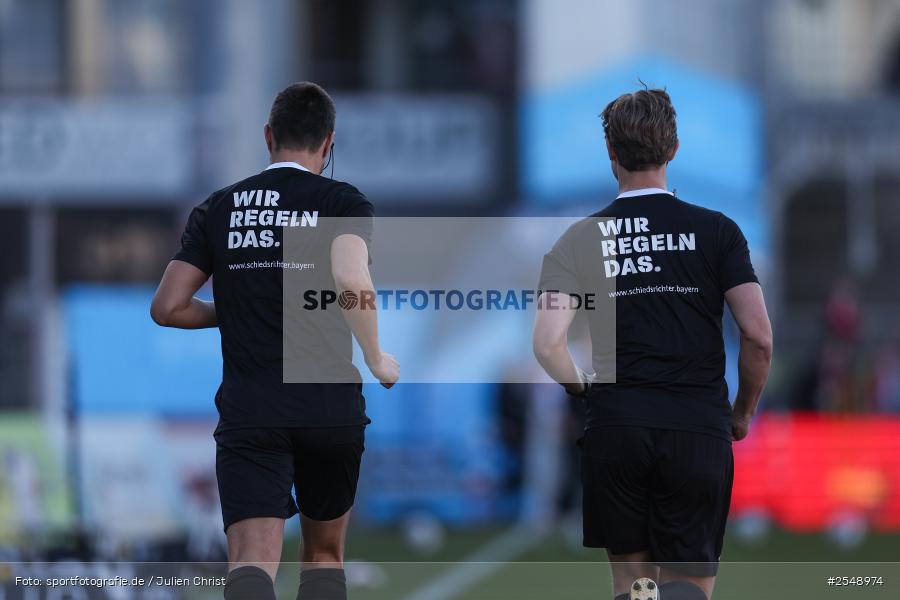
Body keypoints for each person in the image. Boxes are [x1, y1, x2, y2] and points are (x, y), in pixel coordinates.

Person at [151, 82, 399, 600]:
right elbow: (351, 278)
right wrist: (377, 357)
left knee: (251, 562)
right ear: (328, 142)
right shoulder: (342, 201)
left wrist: (237, 310)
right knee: (324, 557)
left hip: (253, 409)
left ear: (268, 136)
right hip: (328, 406)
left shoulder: (220, 206)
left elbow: (168, 306)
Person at [532, 88, 772, 600]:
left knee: (635, 585)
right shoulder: (718, 231)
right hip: (696, 428)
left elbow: (548, 344)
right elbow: (758, 336)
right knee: (687, 584)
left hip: (617, 426)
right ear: (674, 149)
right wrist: (742, 413)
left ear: (611, 152)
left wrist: (582, 390)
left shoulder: (576, 239)